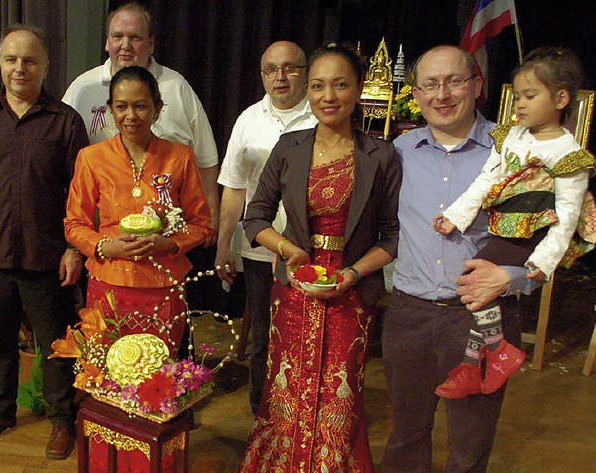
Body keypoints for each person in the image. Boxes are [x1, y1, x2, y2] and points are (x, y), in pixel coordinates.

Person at [239, 42, 401, 472]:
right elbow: (254, 218)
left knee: (339, 397)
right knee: (286, 391)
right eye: (318, 86)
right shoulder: (290, 146)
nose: (328, 96)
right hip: (293, 289)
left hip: (350, 293)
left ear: (359, 89)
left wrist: (351, 272)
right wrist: (290, 251)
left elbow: (392, 236)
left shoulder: (381, 156)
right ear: (308, 91)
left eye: (340, 84)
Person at [384, 44, 541, 472]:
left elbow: (554, 240)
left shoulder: (515, 153)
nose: (442, 93)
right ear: (415, 94)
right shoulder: (397, 153)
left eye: (454, 80)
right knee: (405, 439)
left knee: (471, 447)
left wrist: (511, 277)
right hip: (408, 316)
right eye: (430, 84)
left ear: (476, 85)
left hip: (482, 318)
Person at [64, 65, 211, 471]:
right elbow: (73, 224)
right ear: (110, 110)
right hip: (109, 289)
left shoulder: (179, 157)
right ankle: (108, 461)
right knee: (109, 380)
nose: (131, 116)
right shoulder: (91, 158)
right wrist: (102, 245)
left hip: (163, 287)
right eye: (122, 107)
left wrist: (170, 242)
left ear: (158, 108)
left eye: (141, 106)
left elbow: (201, 224)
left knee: (157, 380)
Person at [0, 25, 88, 459]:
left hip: (47, 257)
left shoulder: (66, 121)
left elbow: (81, 194)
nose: (19, 68)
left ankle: (61, 419)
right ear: (0, 64)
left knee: (56, 346)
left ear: (45, 66)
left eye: (29, 60)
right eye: (11, 59)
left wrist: (74, 248)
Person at [433, 46, 595, 398]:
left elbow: (567, 218)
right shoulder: (511, 136)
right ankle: (476, 363)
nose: (520, 103)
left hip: (530, 233)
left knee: (471, 284)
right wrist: (455, 216)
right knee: (479, 291)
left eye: (531, 96)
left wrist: (543, 261)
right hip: (502, 225)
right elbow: (485, 182)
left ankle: (496, 351)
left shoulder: (568, 154)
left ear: (562, 98)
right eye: (518, 96)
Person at [215, 40, 318, 413]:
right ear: (261, 75)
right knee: (264, 335)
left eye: (290, 68)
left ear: (305, 73)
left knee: (306, 336)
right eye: (271, 69)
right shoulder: (248, 119)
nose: (280, 77)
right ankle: (264, 414)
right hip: (260, 248)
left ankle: (304, 414)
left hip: (313, 248)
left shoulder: (322, 116)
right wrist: (224, 244)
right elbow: (234, 186)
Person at [62, 1, 219, 244]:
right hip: (102, 237)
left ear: (151, 43)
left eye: (135, 37)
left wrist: (211, 223)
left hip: (167, 240)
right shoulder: (82, 88)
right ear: (107, 42)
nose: (125, 45)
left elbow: (206, 161)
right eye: (117, 36)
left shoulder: (177, 87)